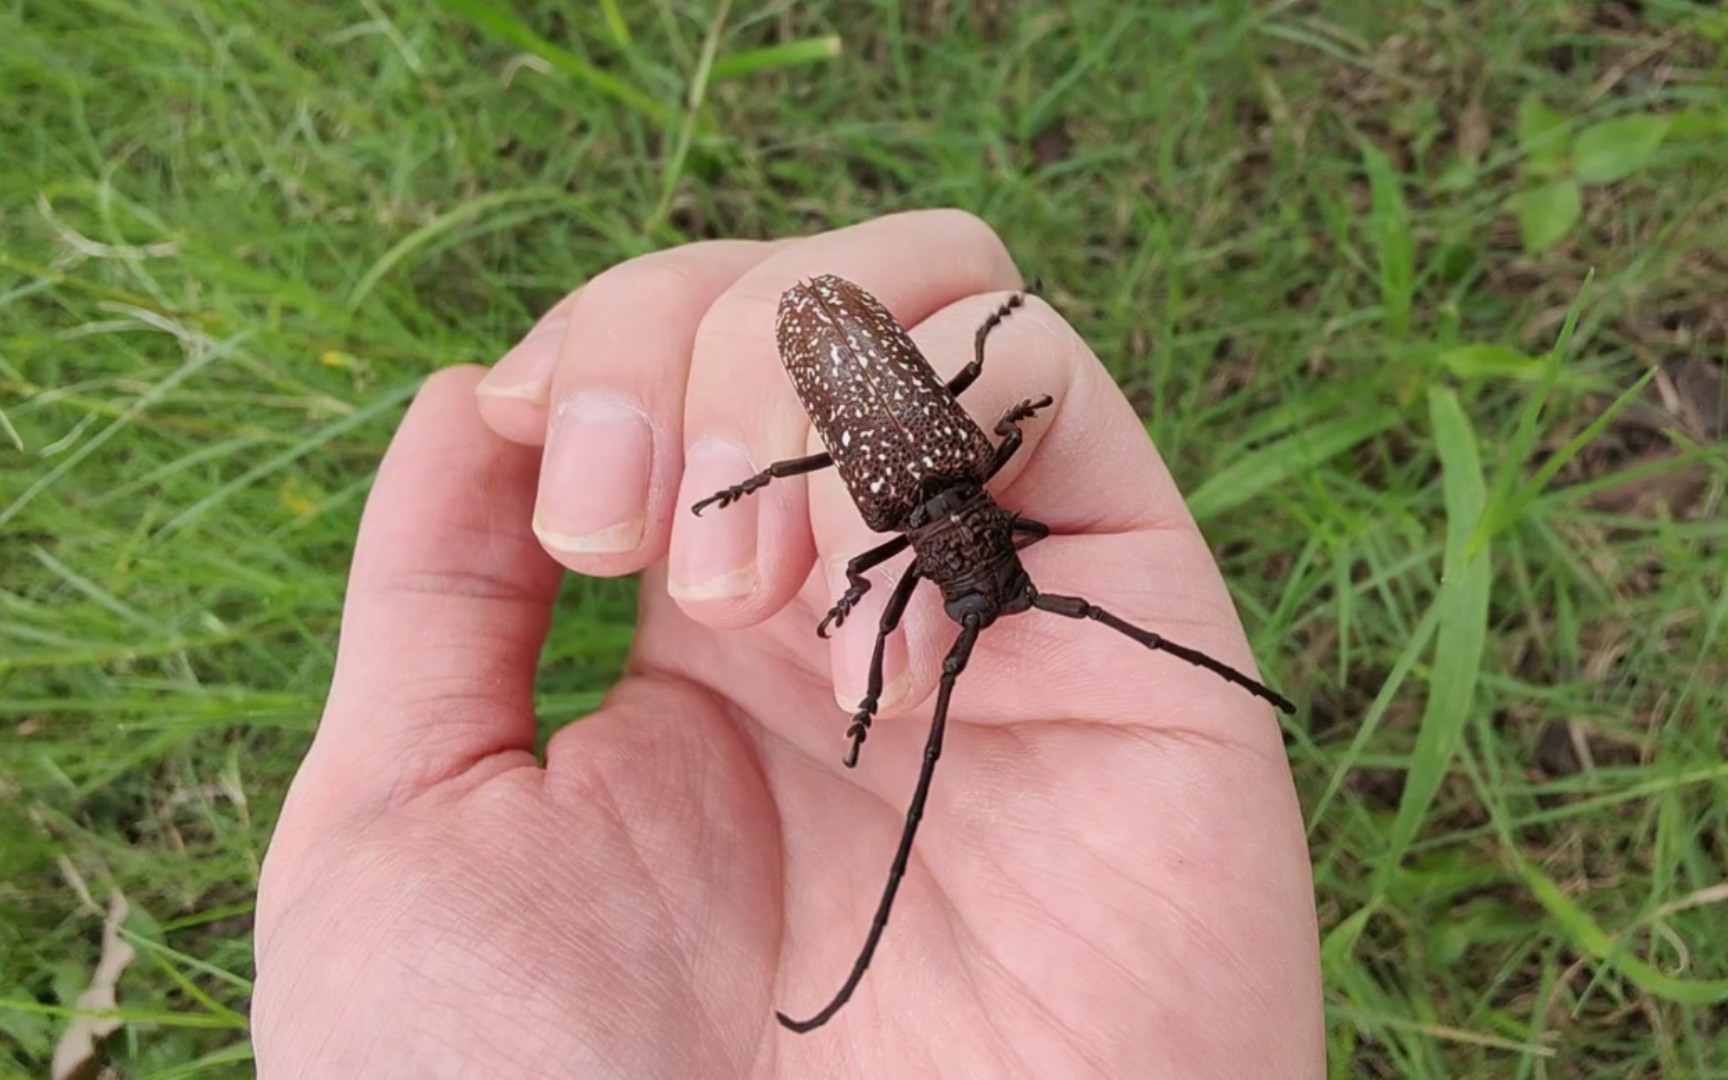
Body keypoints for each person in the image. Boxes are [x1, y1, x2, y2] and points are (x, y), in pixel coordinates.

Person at [251, 210, 1325, 1078]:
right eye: (988, 581)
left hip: (847, 353)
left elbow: (877, 573)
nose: (986, 597)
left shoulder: (923, 496)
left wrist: (854, 592)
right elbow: (882, 560)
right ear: (1000, 539)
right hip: (839, 332)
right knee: (829, 514)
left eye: (979, 589)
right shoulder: (929, 492)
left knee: (849, 548)